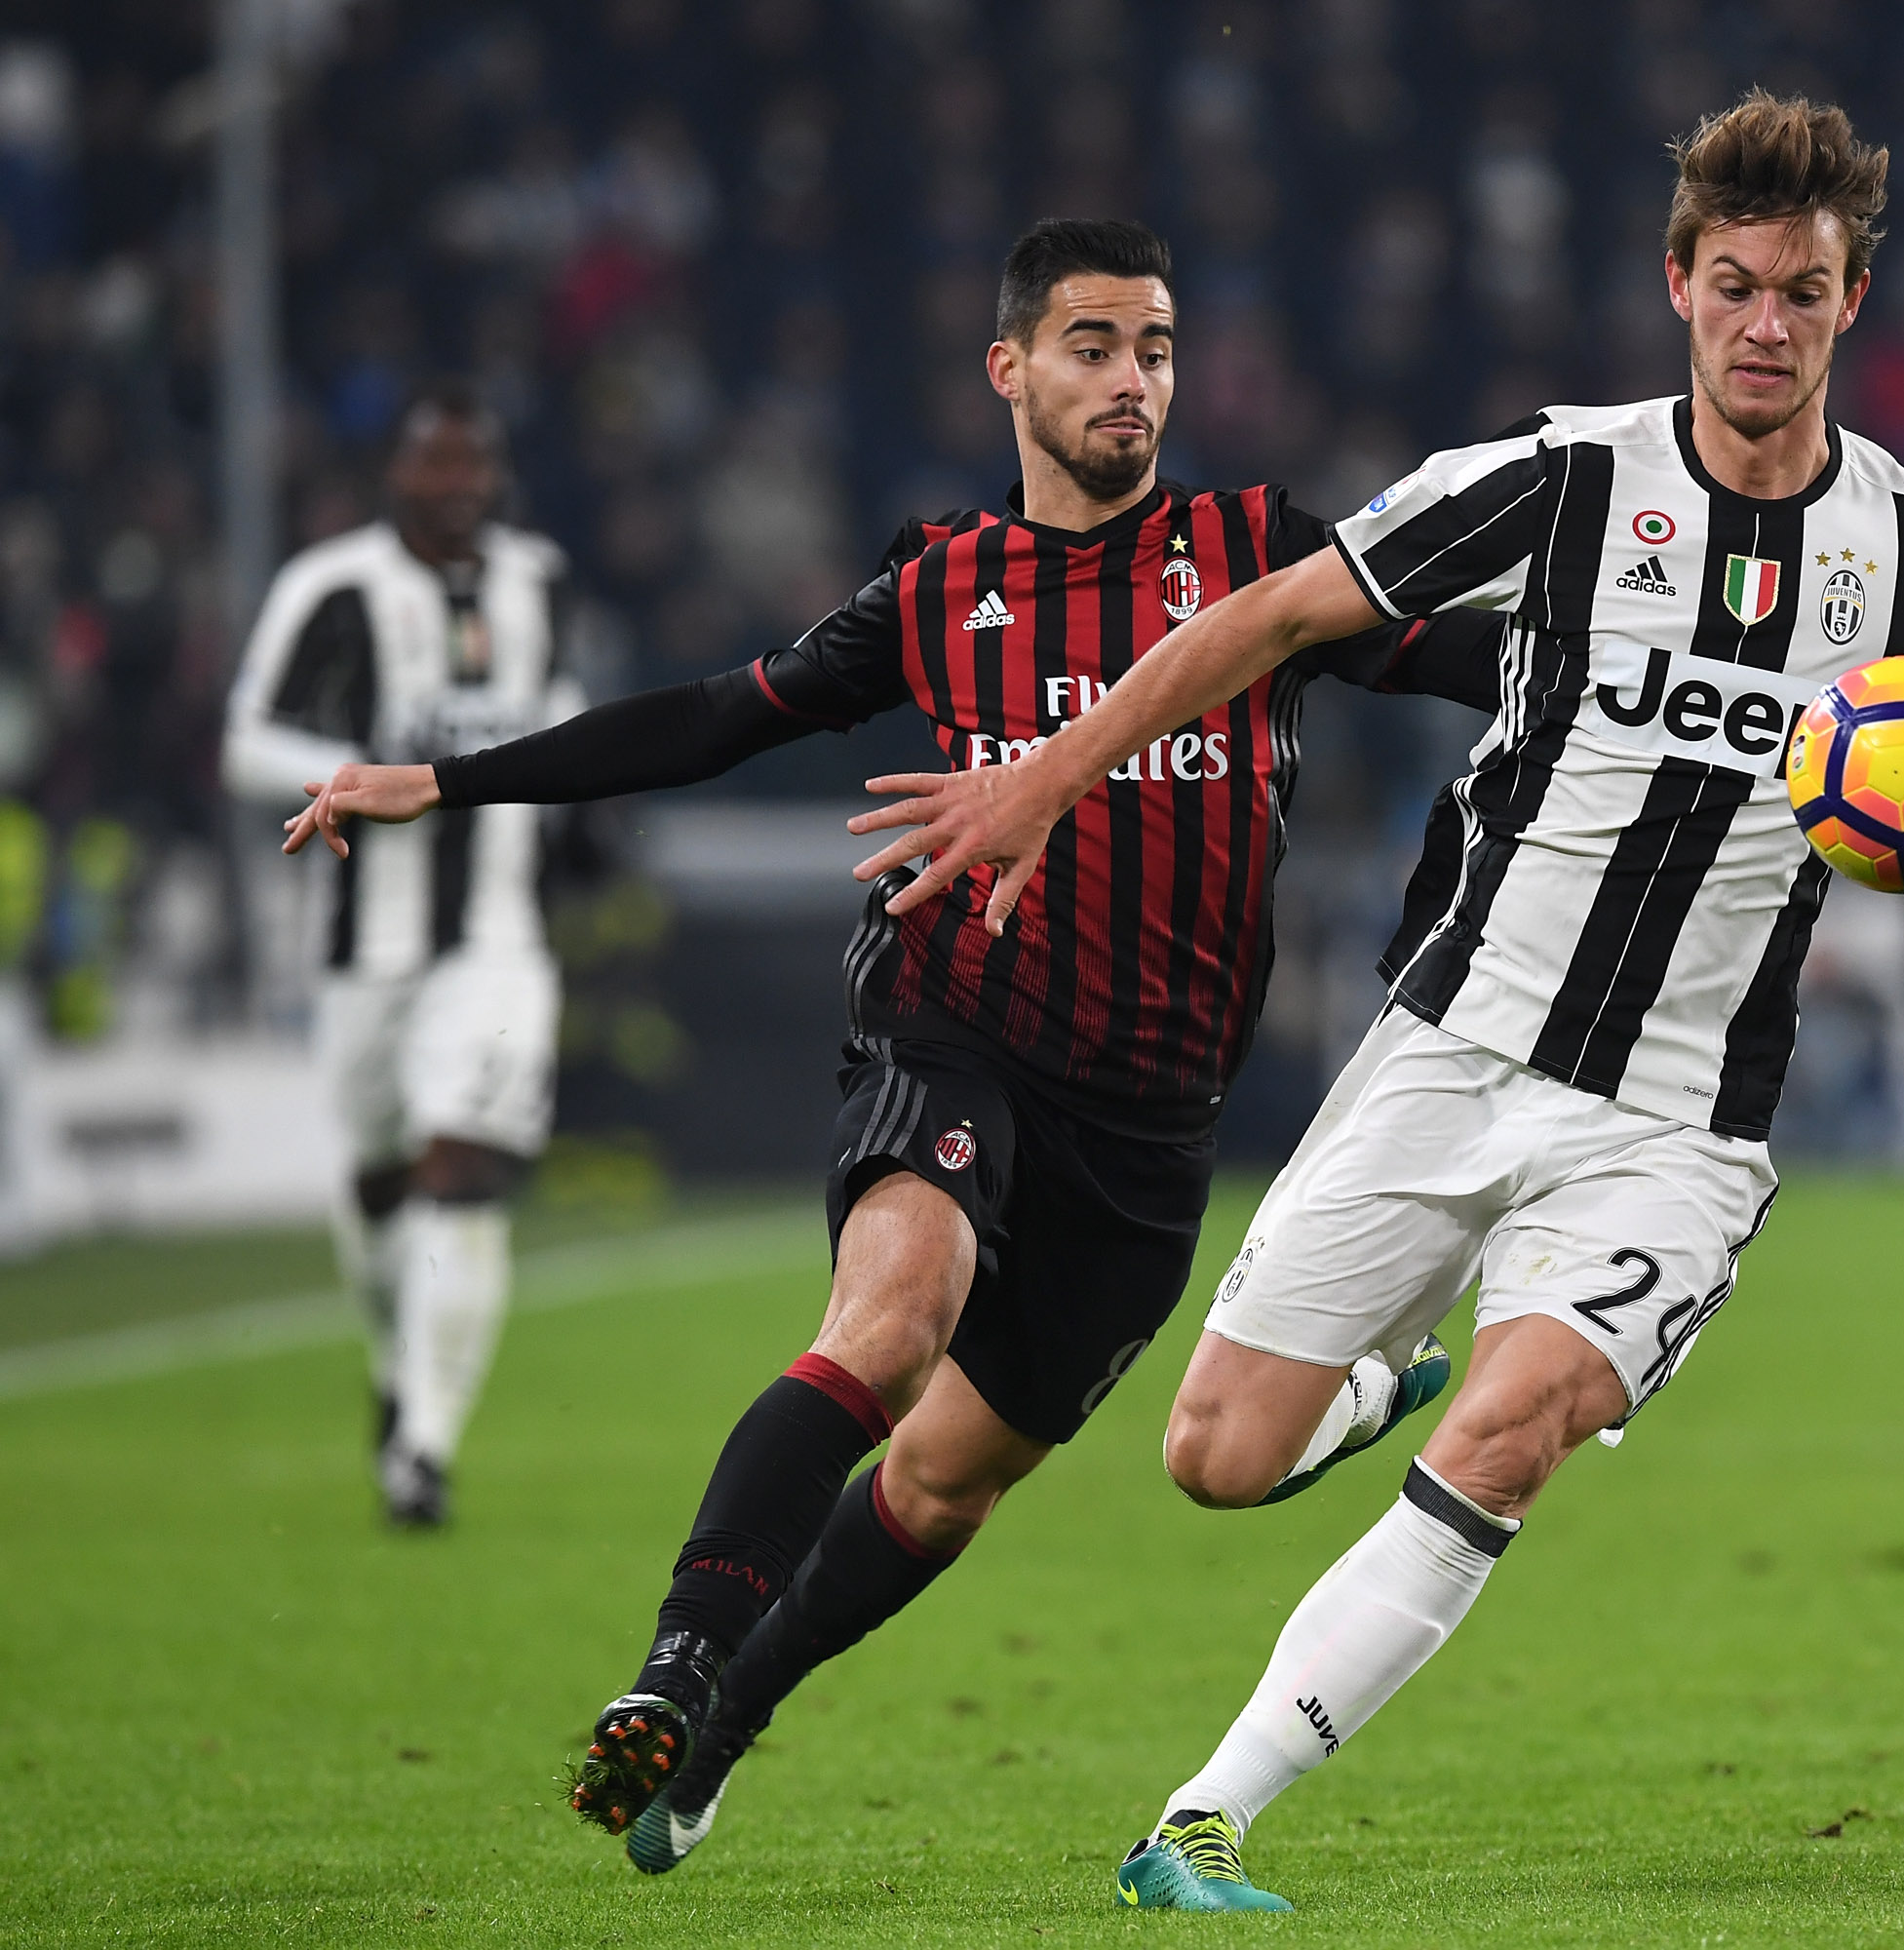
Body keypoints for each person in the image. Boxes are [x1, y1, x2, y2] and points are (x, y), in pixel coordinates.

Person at [864, 94, 1904, 1912]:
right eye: (1738, 286)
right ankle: (1369, 1392)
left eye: (1808, 294)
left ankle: (1202, 1820)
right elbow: (1267, 621)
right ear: (1679, 283)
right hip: (1454, 1050)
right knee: (1215, 1458)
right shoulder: (1561, 478)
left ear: (1852, 305)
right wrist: (1049, 772)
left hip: (1680, 1123)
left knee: (1513, 1435)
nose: (1770, 325)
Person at [278, 217, 1499, 1869]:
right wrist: (448, 779)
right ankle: (670, 1666)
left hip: (1151, 1123)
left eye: (1152, 345)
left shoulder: (1254, 553)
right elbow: (719, 715)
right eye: (1090, 344)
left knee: (937, 1489)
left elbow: (1474, 660)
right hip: (959, 1029)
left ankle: (726, 1720)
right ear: (1010, 368)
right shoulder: (943, 588)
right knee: (890, 1319)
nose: (1131, 379)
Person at [224, 382, 580, 1527]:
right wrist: (355, 768)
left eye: (472, 465)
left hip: (498, 937)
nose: (457, 486)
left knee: (459, 1164)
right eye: (435, 467)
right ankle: (395, 1370)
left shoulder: (539, 581)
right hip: (366, 946)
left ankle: (423, 1447)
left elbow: (564, 707)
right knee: (381, 1179)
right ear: (398, 475)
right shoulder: (330, 587)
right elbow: (245, 741)